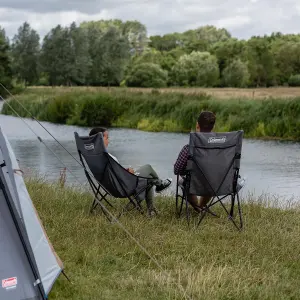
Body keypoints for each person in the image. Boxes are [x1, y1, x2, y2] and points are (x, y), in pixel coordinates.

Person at [89, 127, 172, 216]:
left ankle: (152, 209)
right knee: (148, 168)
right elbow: (118, 176)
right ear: (100, 140)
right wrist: (129, 173)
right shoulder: (107, 156)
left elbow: (113, 173)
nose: (109, 140)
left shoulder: (93, 157)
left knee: (149, 179)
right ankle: (160, 185)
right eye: (107, 138)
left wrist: (125, 171)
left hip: (109, 187)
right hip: (123, 186)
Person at [174, 111, 216, 212]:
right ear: (213, 127)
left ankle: (197, 207)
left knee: (183, 181)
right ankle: (201, 206)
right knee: (212, 178)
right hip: (217, 184)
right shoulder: (223, 149)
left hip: (195, 185)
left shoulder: (189, 149)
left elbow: (177, 170)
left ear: (197, 125)